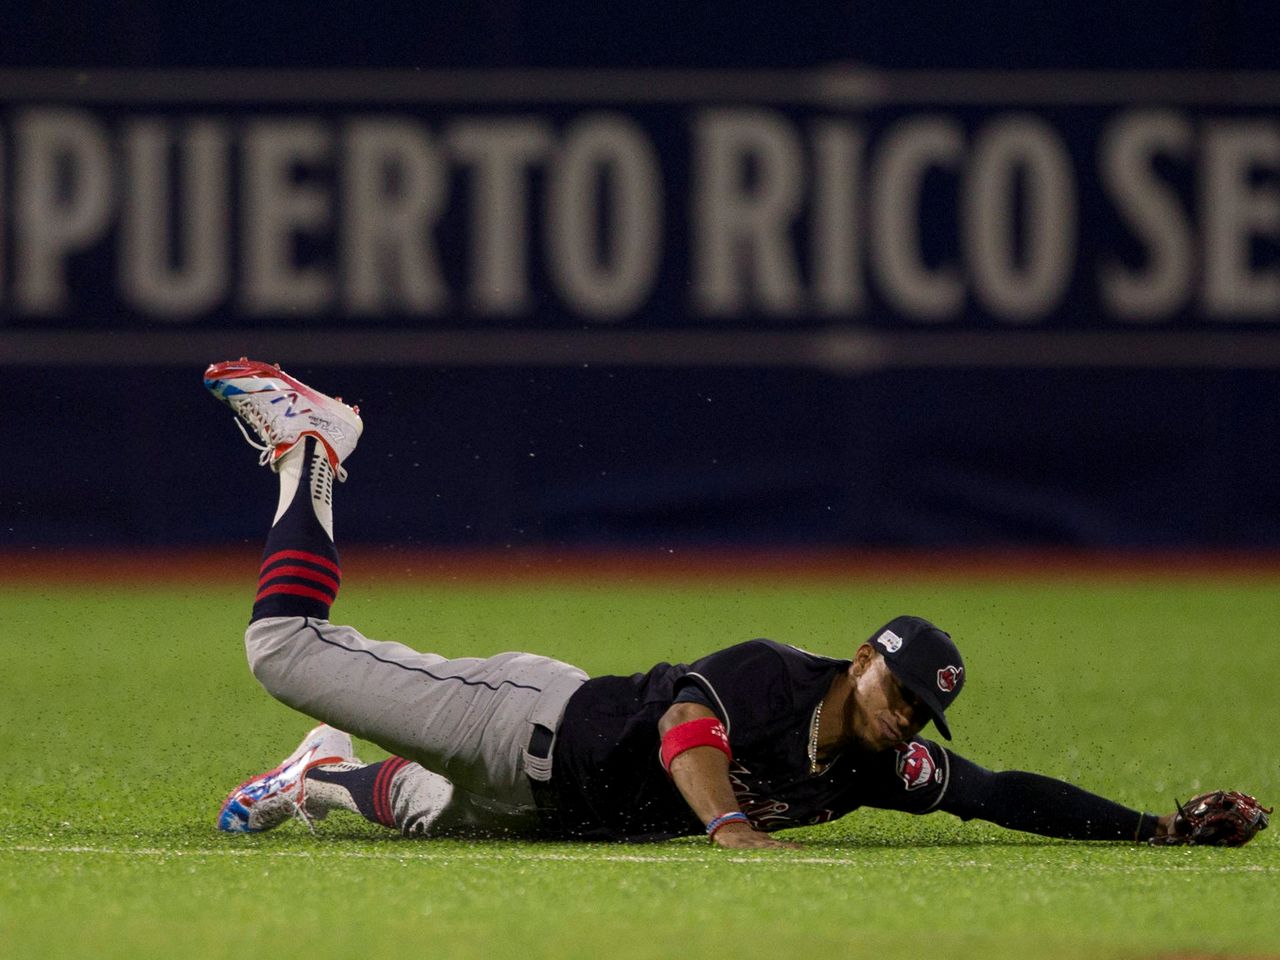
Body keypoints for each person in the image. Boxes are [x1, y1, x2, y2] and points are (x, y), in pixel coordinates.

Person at [205, 358, 1185, 849]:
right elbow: (684, 728)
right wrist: (725, 826)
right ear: (861, 660)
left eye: (917, 712)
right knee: (281, 651)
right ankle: (315, 448)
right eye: (897, 689)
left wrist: (1154, 829)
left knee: (415, 807)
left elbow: (996, 792)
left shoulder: (875, 763)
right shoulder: (777, 678)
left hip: (558, 819)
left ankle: (315, 778)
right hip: (528, 725)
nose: (902, 717)